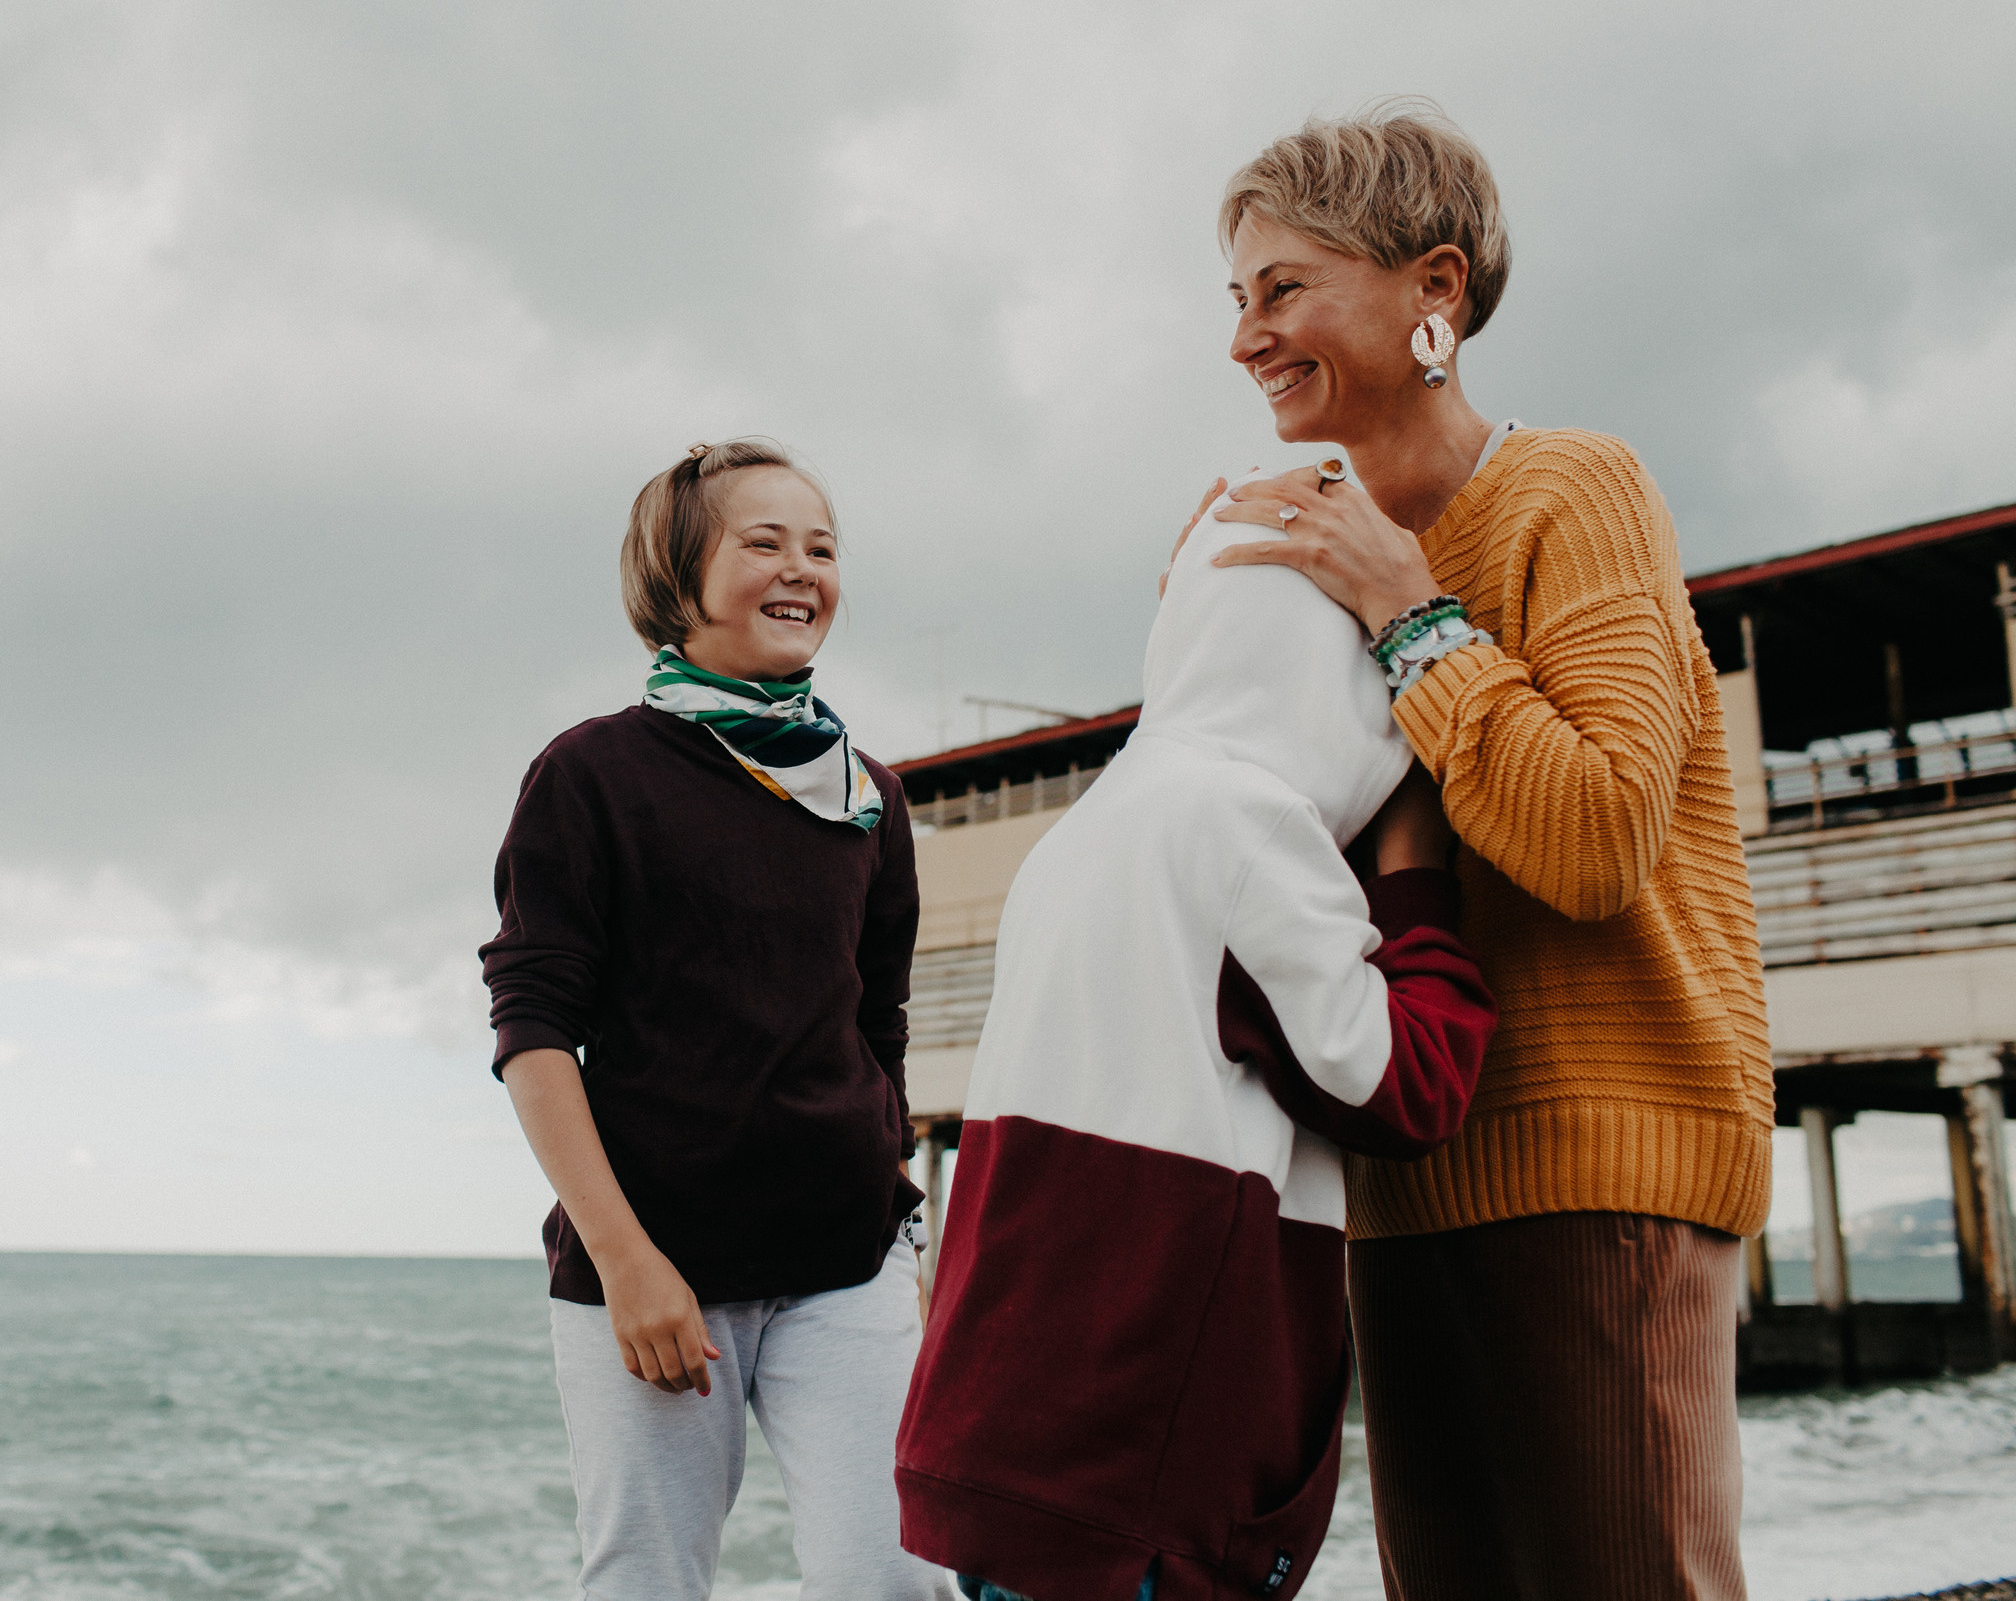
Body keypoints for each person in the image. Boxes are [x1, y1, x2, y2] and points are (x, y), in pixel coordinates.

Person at [1205, 101, 1774, 1601]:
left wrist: (1409, 615)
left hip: (1607, 1154)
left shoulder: (1567, 488)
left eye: (1283, 287)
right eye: (1236, 299)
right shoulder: (1303, 550)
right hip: (1399, 1167)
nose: (1247, 337)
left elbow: (1591, 841)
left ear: (1433, 289)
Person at [893, 465, 1498, 1601]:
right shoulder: (1247, 822)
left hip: (1012, 1446)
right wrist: (1414, 874)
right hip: (1129, 1487)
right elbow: (1404, 1087)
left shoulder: (1091, 826)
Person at [480, 439, 956, 1601]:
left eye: (822, 547)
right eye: (764, 543)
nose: (801, 568)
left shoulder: (868, 794)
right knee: (648, 1583)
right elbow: (534, 1028)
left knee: (892, 1582)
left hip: (844, 1266)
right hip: (653, 1273)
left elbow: (875, 1026)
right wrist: (627, 1259)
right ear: (676, 575)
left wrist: (894, 1203)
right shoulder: (591, 773)